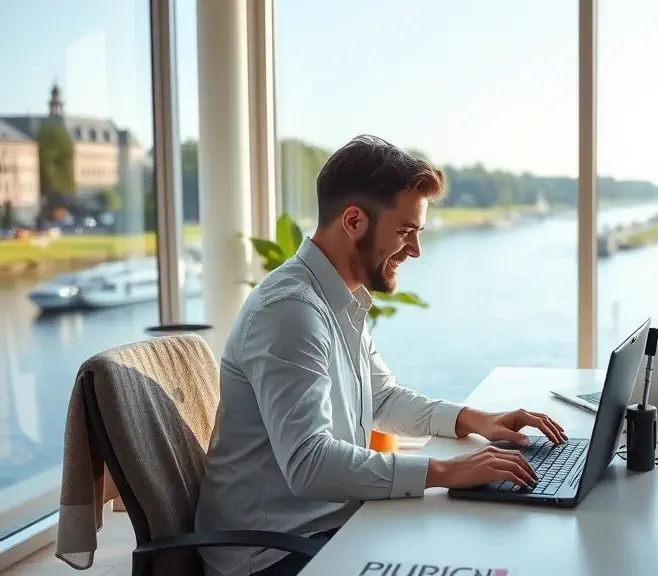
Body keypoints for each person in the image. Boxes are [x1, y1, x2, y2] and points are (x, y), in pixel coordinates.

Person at [194, 134, 568, 576]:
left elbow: (382, 398)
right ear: (353, 221)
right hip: (271, 554)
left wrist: (475, 419)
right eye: (406, 232)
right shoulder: (290, 311)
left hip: (324, 525)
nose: (415, 250)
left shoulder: (338, 298)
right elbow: (309, 464)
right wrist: (446, 471)